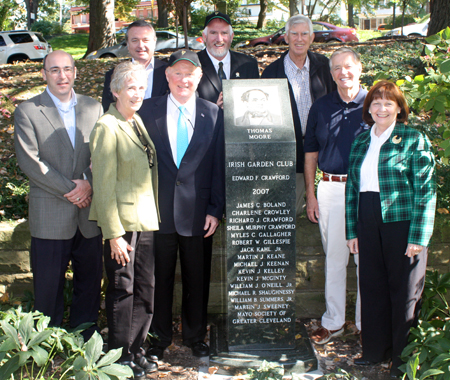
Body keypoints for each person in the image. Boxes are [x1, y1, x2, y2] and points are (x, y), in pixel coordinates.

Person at [345, 80, 436, 378]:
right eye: (376, 102)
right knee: (372, 288)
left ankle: (402, 360)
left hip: (402, 223)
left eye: (388, 103)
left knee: (405, 293)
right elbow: (352, 191)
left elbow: (426, 191)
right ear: (368, 108)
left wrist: (419, 237)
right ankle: (374, 350)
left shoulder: (413, 139)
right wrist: (352, 231)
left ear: (399, 108)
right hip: (368, 220)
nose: (381, 108)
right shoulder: (360, 141)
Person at [138, 49, 225, 360]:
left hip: (199, 214)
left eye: (190, 74)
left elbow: (218, 166)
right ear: (167, 75)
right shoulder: (146, 112)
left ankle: (195, 335)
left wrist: (216, 209)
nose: (183, 79)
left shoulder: (213, 115)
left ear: (199, 77)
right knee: (157, 280)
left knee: (197, 279)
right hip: (156, 212)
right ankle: (158, 337)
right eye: (177, 73)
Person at [14, 50, 103, 339]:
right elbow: (30, 161)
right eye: (54, 70)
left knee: (89, 283)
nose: (62, 75)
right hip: (50, 213)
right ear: (44, 74)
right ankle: (47, 341)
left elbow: (104, 155)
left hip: (89, 214)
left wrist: (88, 183)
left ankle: (84, 338)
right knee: (48, 286)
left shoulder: (95, 108)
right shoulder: (28, 110)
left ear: (75, 71)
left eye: (67, 69)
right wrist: (74, 189)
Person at [89, 61, 159, 379]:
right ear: (115, 90)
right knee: (122, 290)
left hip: (143, 221)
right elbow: (103, 185)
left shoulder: (135, 121)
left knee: (145, 288)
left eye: (141, 87)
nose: (137, 93)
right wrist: (113, 234)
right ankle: (119, 358)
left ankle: (137, 351)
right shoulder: (107, 126)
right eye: (131, 87)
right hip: (122, 225)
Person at [304, 47, 367, 344]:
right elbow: (310, 152)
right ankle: (334, 322)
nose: (344, 72)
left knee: (366, 259)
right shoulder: (321, 106)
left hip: (367, 190)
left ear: (360, 68)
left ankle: (367, 323)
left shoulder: (375, 104)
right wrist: (310, 193)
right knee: (335, 259)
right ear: (331, 75)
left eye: (349, 66)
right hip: (330, 188)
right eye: (337, 68)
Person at [262, 15, 335, 217]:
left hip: (324, 152)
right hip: (288, 154)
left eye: (304, 34)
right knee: (289, 213)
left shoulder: (325, 68)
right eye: (294, 34)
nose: (299, 39)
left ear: (312, 38)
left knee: (329, 211)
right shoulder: (271, 73)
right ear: (286, 37)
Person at [102, 19, 169, 112]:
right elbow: (109, 109)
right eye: (135, 40)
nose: (141, 45)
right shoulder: (113, 75)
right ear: (128, 44)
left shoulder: (168, 72)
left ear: (154, 42)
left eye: (145, 40)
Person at [197, 11, 260, 108]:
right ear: (205, 37)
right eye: (213, 33)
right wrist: (213, 111)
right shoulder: (193, 64)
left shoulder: (249, 64)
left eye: (224, 33)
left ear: (231, 37)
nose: (219, 39)